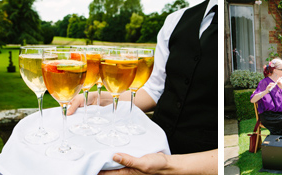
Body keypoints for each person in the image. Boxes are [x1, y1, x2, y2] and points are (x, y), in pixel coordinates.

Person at [67, 0, 218, 173]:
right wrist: (98, 98)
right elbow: (154, 91)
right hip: (150, 148)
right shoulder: (175, 20)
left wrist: (168, 165)